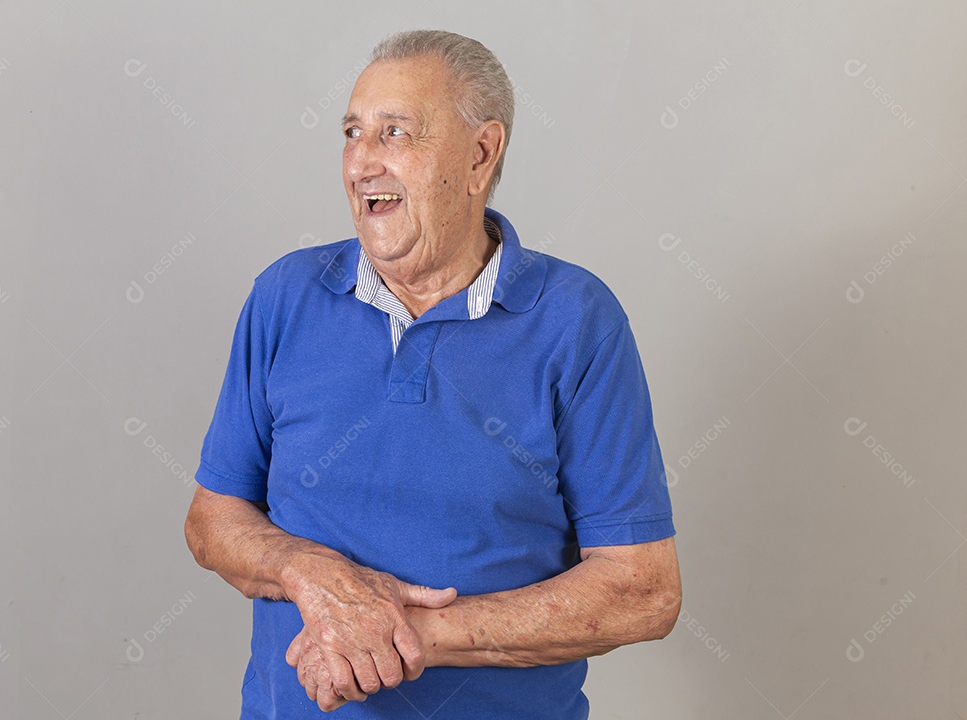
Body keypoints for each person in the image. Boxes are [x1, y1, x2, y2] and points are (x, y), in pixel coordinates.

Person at [185, 29, 681, 719]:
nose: (360, 163)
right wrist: (313, 575)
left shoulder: (577, 321)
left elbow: (641, 590)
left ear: (482, 153)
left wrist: (404, 634)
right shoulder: (285, 296)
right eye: (352, 132)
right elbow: (213, 520)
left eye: (395, 133)